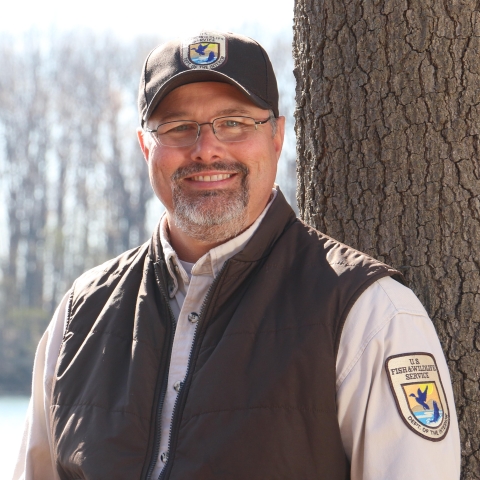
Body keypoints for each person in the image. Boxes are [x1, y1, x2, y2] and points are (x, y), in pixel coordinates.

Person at [14, 31, 460, 479]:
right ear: (146, 146)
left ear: (277, 136)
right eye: (178, 127)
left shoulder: (369, 312)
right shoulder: (79, 316)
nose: (206, 148)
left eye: (234, 123)